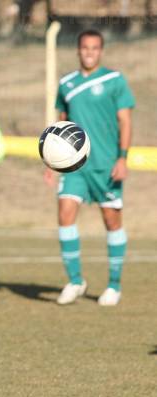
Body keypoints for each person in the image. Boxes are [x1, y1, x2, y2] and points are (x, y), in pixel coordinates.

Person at [45, 29, 134, 306]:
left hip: (106, 165)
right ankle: (75, 281)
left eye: (94, 48)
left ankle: (114, 285)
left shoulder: (114, 80)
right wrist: (52, 162)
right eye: (85, 47)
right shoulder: (66, 83)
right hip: (75, 168)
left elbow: (125, 122)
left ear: (101, 51)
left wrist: (122, 158)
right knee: (65, 212)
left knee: (111, 220)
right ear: (78, 50)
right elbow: (60, 124)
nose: (89, 52)